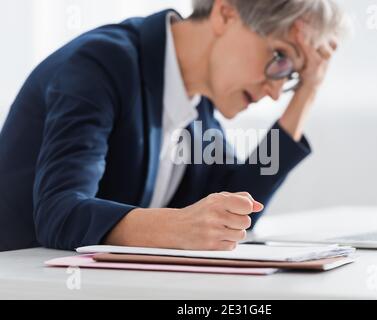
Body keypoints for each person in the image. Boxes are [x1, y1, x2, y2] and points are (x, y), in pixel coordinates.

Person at [0, 0, 347, 252]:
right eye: (280, 57)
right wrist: (177, 226)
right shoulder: (101, 65)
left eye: (290, 76)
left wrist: (307, 92)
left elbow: (236, 211)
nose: (275, 91)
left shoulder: (199, 105)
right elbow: (59, 213)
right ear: (226, 13)